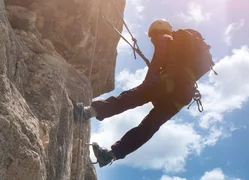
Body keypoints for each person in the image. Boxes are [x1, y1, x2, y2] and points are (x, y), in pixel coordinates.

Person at [75, 19, 213, 167]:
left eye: (153, 37)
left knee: (131, 97)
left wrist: (146, 86)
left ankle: (89, 112)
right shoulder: (187, 53)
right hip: (182, 96)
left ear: (158, 31)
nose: (153, 40)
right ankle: (110, 156)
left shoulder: (165, 38)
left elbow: (157, 61)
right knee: (149, 127)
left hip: (170, 83)